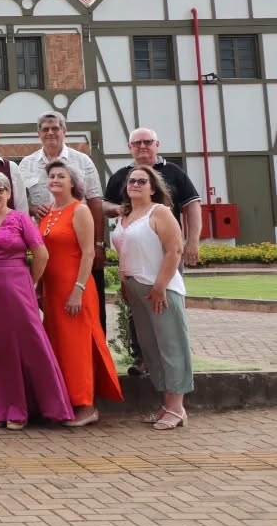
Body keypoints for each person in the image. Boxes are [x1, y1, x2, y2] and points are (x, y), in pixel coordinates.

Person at [0, 173, 73, 430]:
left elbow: (41, 254)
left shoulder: (20, 219)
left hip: (18, 289)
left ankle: (23, 407)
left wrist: (30, 283)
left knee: (26, 344)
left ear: (9, 192)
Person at [103, 128, 203, 374]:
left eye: (148, 142)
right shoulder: (121, 176)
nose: (142, 147)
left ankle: (173, 359)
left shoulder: (174, 173)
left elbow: (192, 206)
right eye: (137, 143)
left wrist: (193, 241)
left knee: (166, 303)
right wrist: (121, 209)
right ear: (130, 147)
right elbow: (103, 204)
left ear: (157, 144)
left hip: (166, 252)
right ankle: (143, 358)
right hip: (134, 255)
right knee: (136, 310)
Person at [41, 162, 123, 426]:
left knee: (77, 347)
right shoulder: (49, 212)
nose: (55, 180)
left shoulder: (80, 210)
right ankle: (65, 400)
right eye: (51, 176)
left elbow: (88, 252)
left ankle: (86, 405)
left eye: (61, 176)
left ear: (73, 183)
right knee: (59, 346)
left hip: (74, 287)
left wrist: (78, 290)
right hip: (52, 289)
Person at [112, 165, 192, 431]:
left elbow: (175, 250)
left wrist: (160, 286)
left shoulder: (160, 212)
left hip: (161, 288)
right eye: (131, 181)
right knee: (152, 349)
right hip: (135, 289)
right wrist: (124, 282)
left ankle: (177, 407)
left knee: (171, 347)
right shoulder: (125, 214)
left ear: (153, 187)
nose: (135, 184)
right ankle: (166, 403)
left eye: (141, 181)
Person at [19, 111, 106, 317]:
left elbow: (95, 201)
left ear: (64, 131)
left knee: (85, 308)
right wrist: (32, 209)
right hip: (45, 245)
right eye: (45, 129)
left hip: (76, 245)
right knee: (50, 306)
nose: (50, 133)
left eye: (55, 128)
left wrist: (98, 244)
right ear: (38, 133)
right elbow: (20, 203)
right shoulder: (26, 164)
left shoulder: (82, 161)